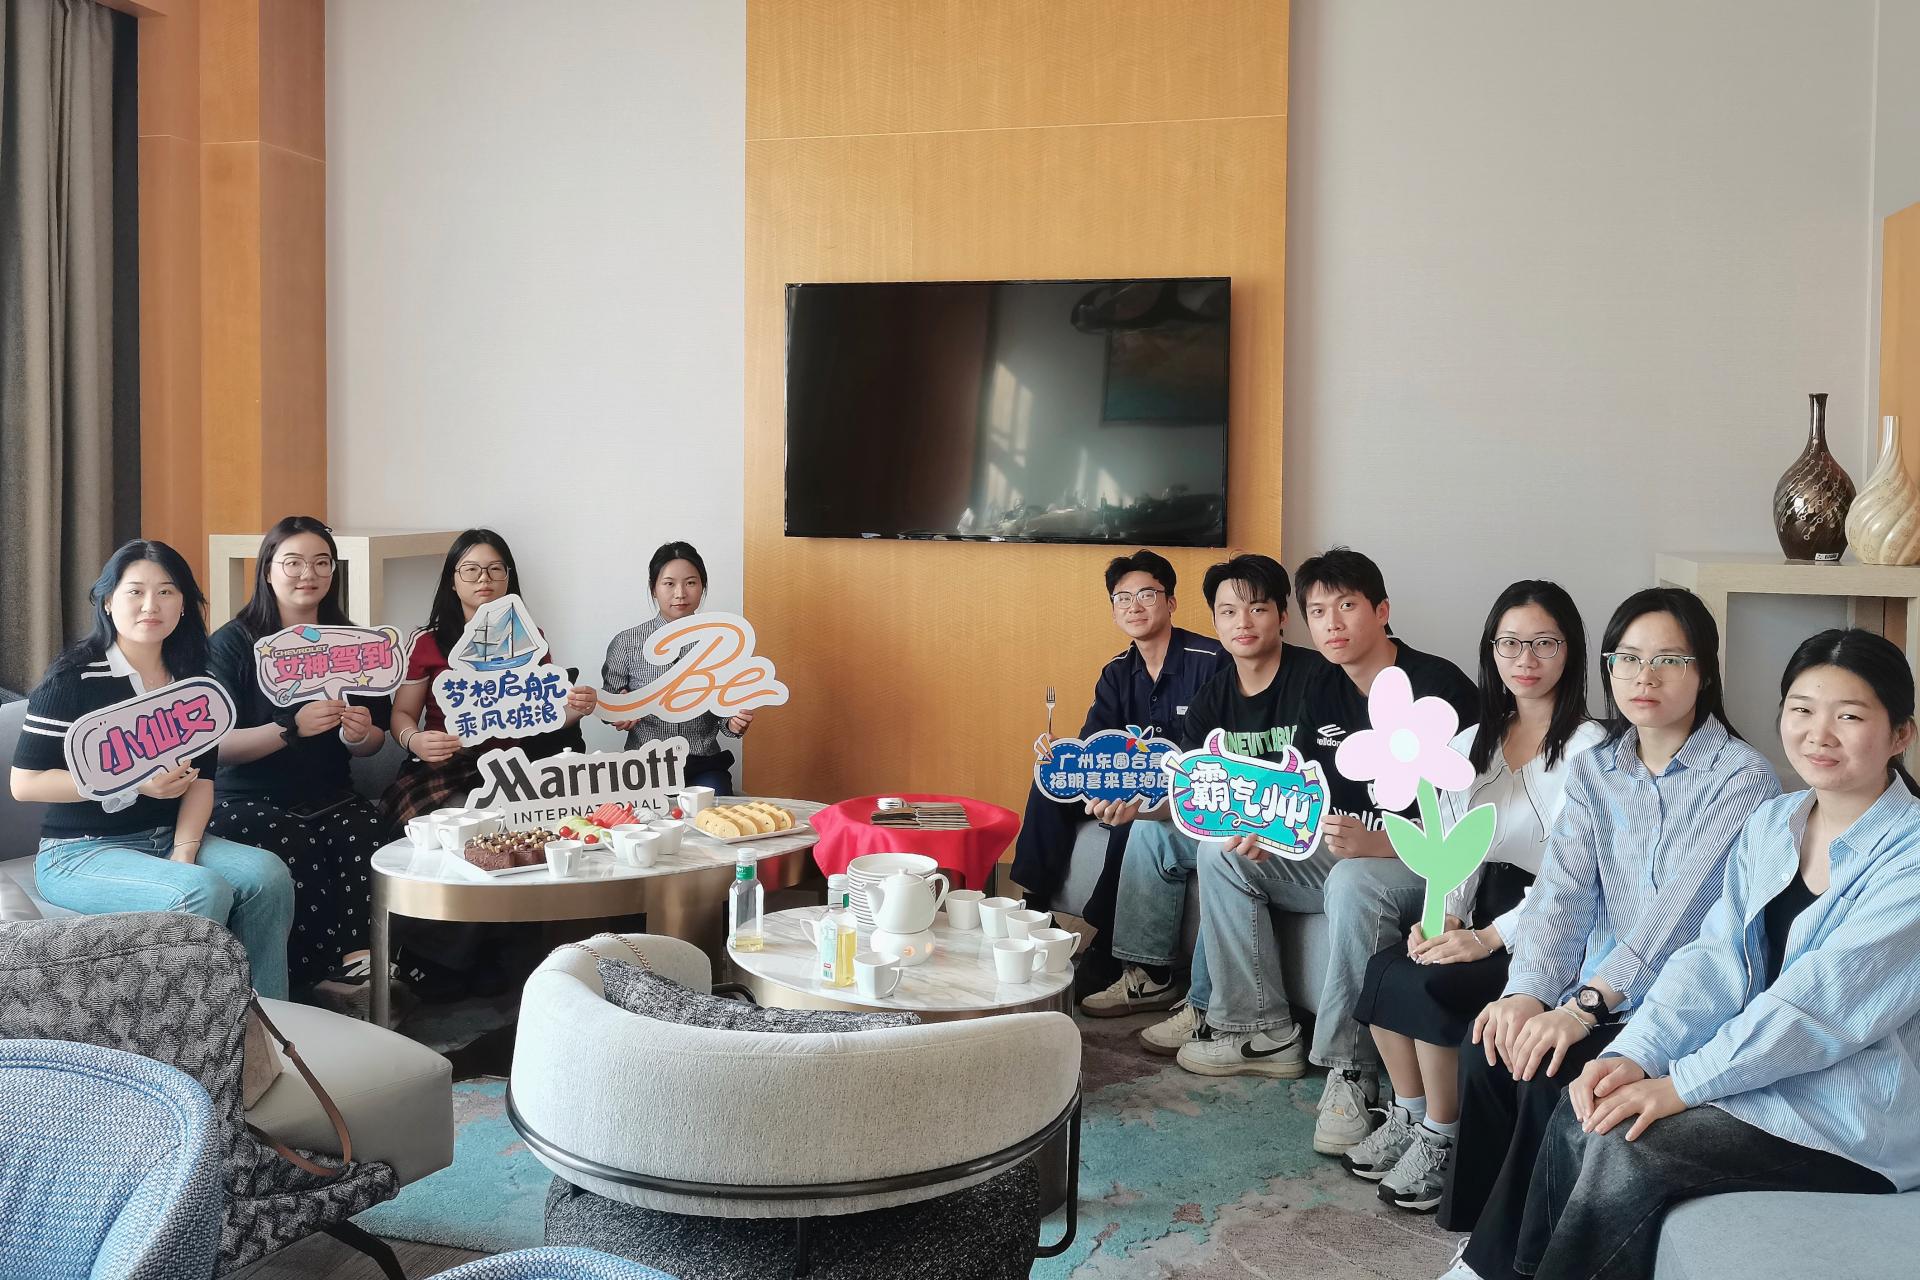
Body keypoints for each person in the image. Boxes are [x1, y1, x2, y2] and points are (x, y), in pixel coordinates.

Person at [1506, 627, 1920, 1280]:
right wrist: (1633, 1055)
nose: (1819, 733)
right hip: (1759, 1078)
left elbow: (1813, 1010)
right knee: (1581, 1108)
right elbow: (1713, 961)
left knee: (1625, 1145)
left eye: (1849, 716)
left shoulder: (1911, 857)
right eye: (1802, 709)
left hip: (1848, 1119)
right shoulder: (1775, 823)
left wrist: (1682, 1085)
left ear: (1901, 734)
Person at [1435, 586, 1780, 1280]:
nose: (1644, 677)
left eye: (1668, 660)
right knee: (1492, 1044)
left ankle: (1504, 1265)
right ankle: (1486, 1244)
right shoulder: (1600, 768)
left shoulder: (1743, 779)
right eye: (1628, 658)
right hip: (1597, 985)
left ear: (1704, 671)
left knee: (1555, 1077)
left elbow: (1677, 917)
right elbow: (1562, 892)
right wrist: (1529, 992)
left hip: (1682, 1000)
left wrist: (1584, 1006)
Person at [1178, 547, 1479, 1162]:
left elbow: (1472, 815)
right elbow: (1313, 796)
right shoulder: (1319, 686)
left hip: (1430, 864)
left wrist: (1381, 841)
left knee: (1352, 882)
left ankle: (1351, 1072)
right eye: (1318, 612)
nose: (1332, 624)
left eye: (1346, 606)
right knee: (1223, 854)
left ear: (1382, 611)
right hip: (1344, 850)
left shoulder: (1438, 686)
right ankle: (1262, 1030)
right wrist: (1274, 832)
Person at [1345, 581, 1603, 1213]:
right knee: (1388, 968)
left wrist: (1487, 939)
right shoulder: (1470, 742)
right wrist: (1445, 915)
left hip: (1548, 924)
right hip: (1479, 909)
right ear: (1492, 651)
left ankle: (1444, 1134)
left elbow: (1577, 879)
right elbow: (1454, 845)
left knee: (1435, 987)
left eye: (1543, 643)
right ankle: (1410, 1116)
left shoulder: (1592, 748)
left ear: (1570, 650)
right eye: (1509, 643)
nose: (1525, 659)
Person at [9, 540, 295, 999]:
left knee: (268, 876)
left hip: (164, 837)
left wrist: (184, 850)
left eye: (166, 591)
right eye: (135, 591)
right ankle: (198, 1028)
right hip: (79, 852)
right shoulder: (72, 680)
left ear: (183, 604)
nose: (150, 605)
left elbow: (202, 780)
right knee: (200, 891)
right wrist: (133, 783)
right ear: (108, 601)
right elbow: (25, 784)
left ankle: (271, 1021)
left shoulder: (196, 685)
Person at [1079, 554, 1327, 1050]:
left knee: (1222, 852)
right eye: (1229, 612)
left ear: (1282, 615)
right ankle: (1148, 974)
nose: (1242, 622)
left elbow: (1331, 786)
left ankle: (1203, 1007)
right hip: (1236, 826)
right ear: (1215, 621)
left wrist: (1269, 825)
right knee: (1151, 832)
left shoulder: (1318, 680)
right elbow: (1189, 796)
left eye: (1257, 609)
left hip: (1299, 834)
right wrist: (1138, 808)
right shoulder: (1213, 696)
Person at [383, 529, 597, 998]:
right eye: (472, 570)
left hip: (513, 764)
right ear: (452, 580)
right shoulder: (428, 642)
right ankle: (434, 961)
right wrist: (415, 739)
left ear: (509, 578)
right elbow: (401, 714)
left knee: (532, 829)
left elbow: (546, 714)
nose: (485, 579)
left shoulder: (531, 639)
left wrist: (575, 709)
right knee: (473, 828)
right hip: (446, 765)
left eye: (496, 569)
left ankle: (508, 961)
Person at [1010, 549, 1226, 981]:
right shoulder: (1116, 672)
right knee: (1050, 781)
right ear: (1113, 610)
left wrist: (1135, 792)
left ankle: (1106, 941)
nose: (1134, 606)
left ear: (1170, 602)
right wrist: (1062, 757)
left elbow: (1210, 752)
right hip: (1123, 782)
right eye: (1123, 598)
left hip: (1182, 791)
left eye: (1146, 594)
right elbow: (1093, 747)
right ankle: (1035, 907)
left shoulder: (1210, 660)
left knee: (1133, 816)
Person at [206, 517, 391, 997]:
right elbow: (214, 747)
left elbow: (374, 741)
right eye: (293, 563)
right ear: (268, 571)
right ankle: (314, 978)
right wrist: (288, 730)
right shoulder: (233, 644)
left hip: (329, 792)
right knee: (292, 840)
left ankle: (363, 967)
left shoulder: (353, 643)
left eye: (321, 563)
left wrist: (359, 733)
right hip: (244, 798)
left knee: (367, 830)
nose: (308, 574)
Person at [603, 542, 757, 795]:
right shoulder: (627, 643)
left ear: (702, 586)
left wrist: (734, 723)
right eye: (669, 583)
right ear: (653, 588)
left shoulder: (721, 642)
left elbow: (726, 712)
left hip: (703, 763)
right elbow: (608, 702)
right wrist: (618, 711)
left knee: (714, 810)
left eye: (690, 583)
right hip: (645, 765)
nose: (680, 593)